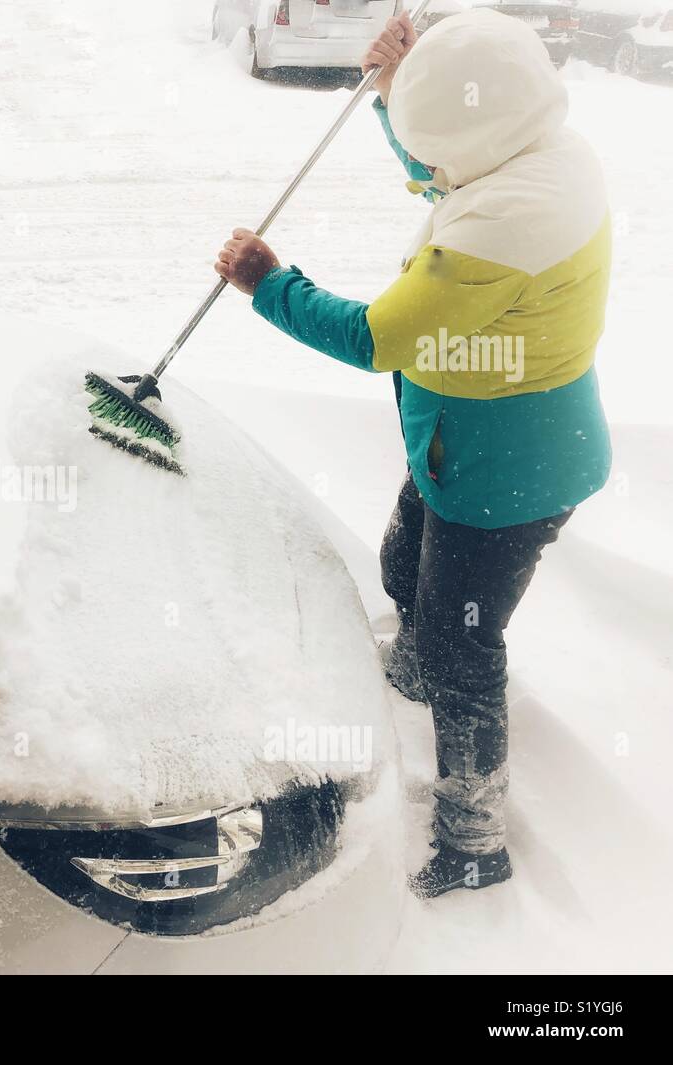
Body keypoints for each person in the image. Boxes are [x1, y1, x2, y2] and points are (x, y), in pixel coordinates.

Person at [213, 9, 612, 898]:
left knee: (467, 645)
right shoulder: (541, 154)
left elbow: (377, 337)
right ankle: (414, 669)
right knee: (405, 559)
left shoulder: (499, 232)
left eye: (433, 144)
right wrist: (401, 94)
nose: (428, 166)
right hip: (467, 447)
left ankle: (475, 840)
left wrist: (269, 285)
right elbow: (453, 170)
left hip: (504, 480)